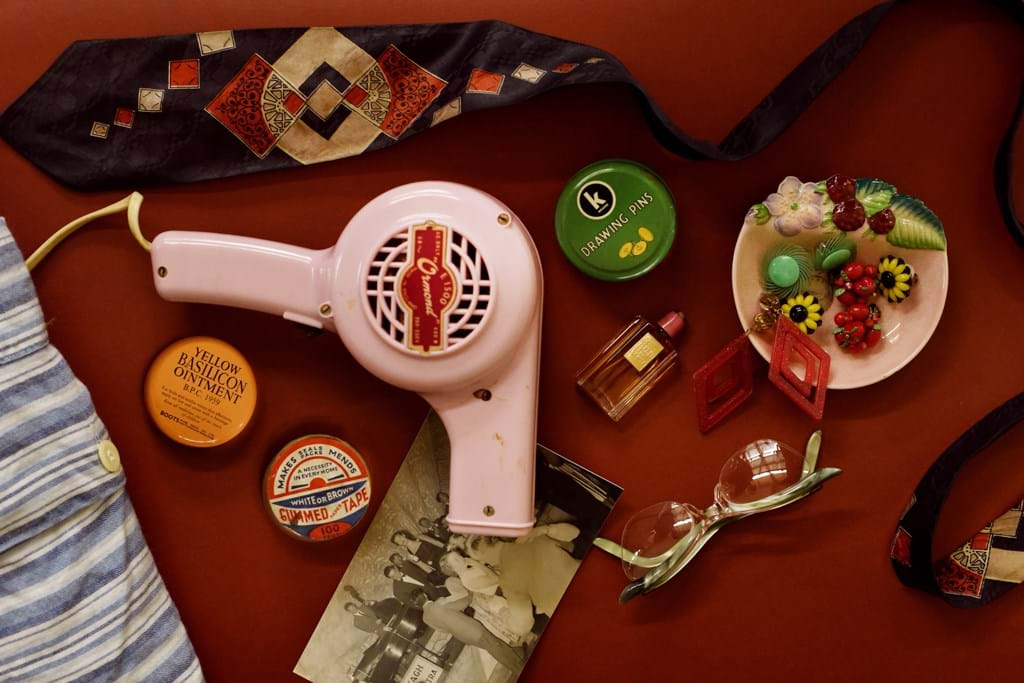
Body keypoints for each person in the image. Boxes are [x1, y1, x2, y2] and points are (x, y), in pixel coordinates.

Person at [465, 523, 582, 636]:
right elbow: (575, 532)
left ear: (484, 561)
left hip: (576, 614)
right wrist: (544, 529)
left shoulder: (508, 580)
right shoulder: (531, 537)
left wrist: (502, 611)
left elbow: (522, 627)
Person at [418, 579, 524, 675]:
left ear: (417, 603)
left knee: (493, 646)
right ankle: (518, 668)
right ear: (424, 595)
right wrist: (469, 595)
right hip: (472, 629)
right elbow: (462, 604)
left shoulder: (425, 618)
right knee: (495, 647)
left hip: (462, 636)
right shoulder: (439, 603)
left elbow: (444, 630)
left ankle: (516, 656)